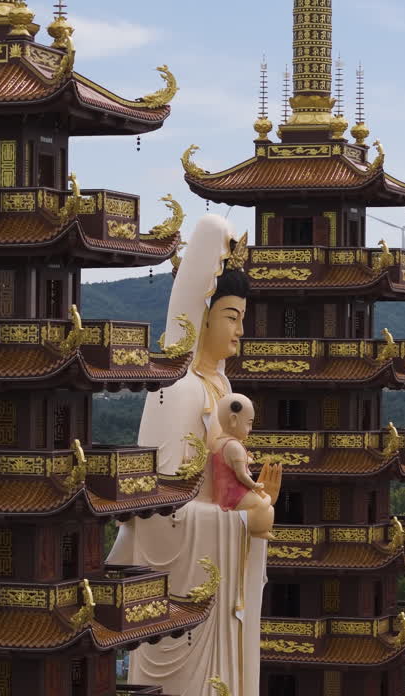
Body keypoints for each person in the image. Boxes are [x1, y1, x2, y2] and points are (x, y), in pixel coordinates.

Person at [108, 214, 280, 696]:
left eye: (242, 319)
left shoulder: (221, 385)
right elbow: (160, 516)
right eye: (231, 316)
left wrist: (253, 503)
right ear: (199, 315)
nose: (240, 331)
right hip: (189, 590)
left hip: (224, 588)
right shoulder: (177, 391)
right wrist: (243, 522)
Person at [210, 394, 274, 540]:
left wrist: (247, 460)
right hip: (233, 494)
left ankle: (259, 527)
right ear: (233, 419)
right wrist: (254, 485)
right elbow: (241, 475)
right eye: (249, 423)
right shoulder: (233, 446)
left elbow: (228, 463)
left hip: (222, 492)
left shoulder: (220, 442)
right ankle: (259, 529)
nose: (250, 429)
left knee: (265, 501)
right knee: (263, 504)